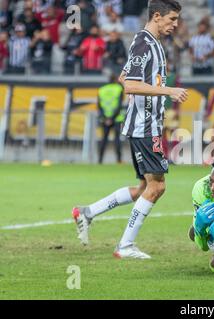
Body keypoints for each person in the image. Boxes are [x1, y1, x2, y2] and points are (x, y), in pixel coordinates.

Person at [72, 0, 188, 260]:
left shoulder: (151, 43)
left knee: (143, 188)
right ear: (157, 16)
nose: (175, 25)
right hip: (145, 126)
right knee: (157, 187)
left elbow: (124, 76)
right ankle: (125, 245)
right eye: (172, 19)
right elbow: (130, 85)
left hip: (147, 124)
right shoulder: (145, 43)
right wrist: (168, 90)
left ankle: (87, 212)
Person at [97, 74, 125, 164]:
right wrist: (112, 118)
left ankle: (100, 160)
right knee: (117, 139)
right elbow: (119, 105)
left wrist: (105, 118)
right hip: (116, 118)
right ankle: (119, 160)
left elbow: (99, 105)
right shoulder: (119, 89)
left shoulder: (102, 89)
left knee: (103, 140)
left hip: (104, 118)